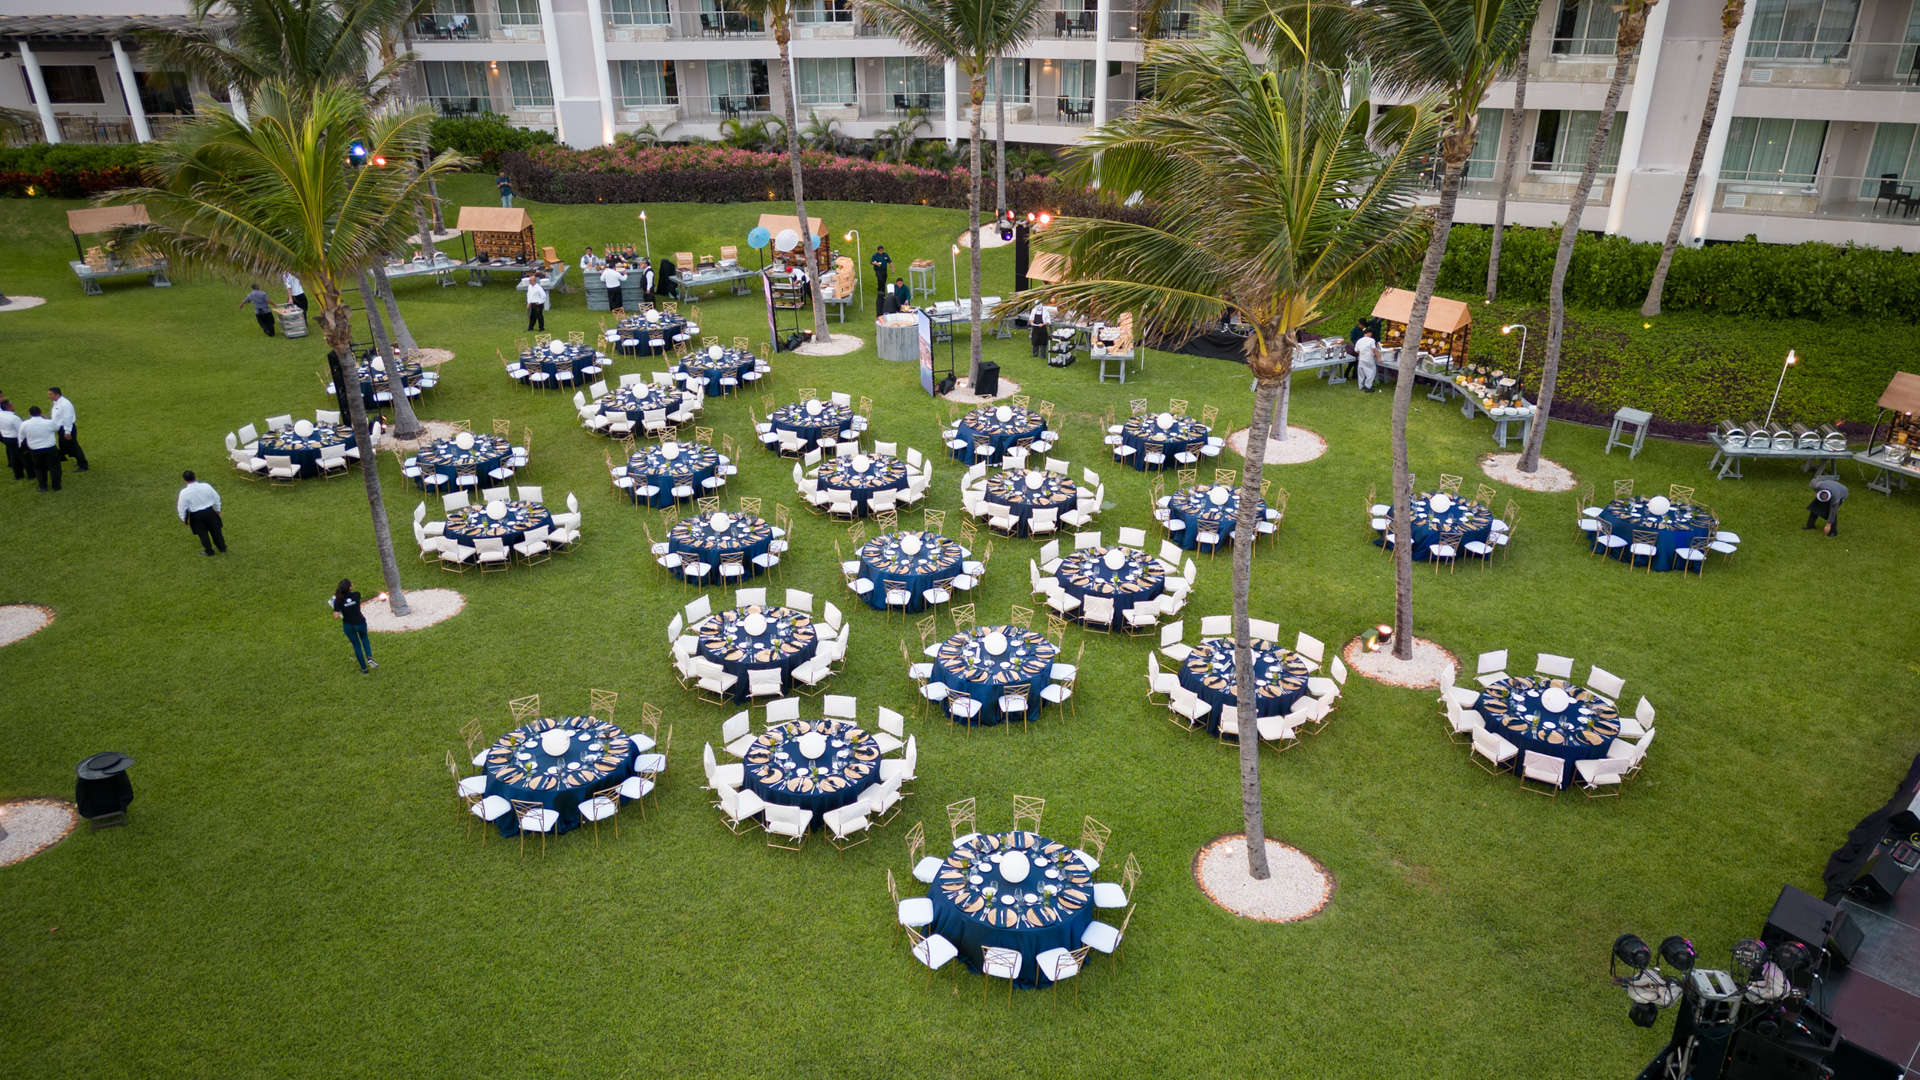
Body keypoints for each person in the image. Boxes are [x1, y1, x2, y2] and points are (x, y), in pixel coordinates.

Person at [329, 578, 383, 673]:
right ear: (350, 587)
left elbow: (336, 616)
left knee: (356, 646)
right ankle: (369, 657)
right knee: (364, 638)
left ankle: (364, 669)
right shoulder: (357, 595)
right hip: (360, 622)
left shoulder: (338, 600)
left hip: (348, 625)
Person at [177, 470, 226, 556]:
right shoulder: (206, 486)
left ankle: (209, 551)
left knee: (202, 534)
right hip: (210, 512)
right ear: (195, 476)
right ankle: (222, 548)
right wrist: (217, 509)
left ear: (185, 480)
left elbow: (182, 507)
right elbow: (216, 498)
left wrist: (184, 519)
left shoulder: (184, 493)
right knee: (216, 531)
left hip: (196, 516)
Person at [19, 405, 59, 491]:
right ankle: (56, 486)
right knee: (54, 467)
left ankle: (43, 487)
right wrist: (45, 419)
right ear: (41, 412)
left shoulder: (24, 424)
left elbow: (21, 437)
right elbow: (57, 428)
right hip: (50, 448)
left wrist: (23, 449)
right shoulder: (48, 422)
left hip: (35, 450)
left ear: (30, 414)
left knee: (39, 468)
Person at [48, 387, 86, 471]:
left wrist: (67, 431)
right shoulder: (57, 402)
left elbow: (68, 418)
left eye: (51, 394)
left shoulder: (65, 404)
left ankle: (83, 465)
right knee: (64, 445)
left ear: (57, 394)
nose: (49, 396)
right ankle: (76, 460)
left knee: (74, 447)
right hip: (61, 429)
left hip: (66, 428)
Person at [0, 397, 28, 481]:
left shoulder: (1, 415)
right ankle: (31, 474)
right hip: (15, 438)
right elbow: (21, 430)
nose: (13, 406)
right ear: (9, 407)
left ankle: (18, 475)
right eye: (12, 405)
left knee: (14, 456)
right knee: (24, 456)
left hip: (6, 437)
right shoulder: (13, 418)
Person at [1355, 326, 1380, 393]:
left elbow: (1356, 350)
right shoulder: (1371, 340)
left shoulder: (1359, 340)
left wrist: (1361, 353)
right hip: (1369, 359)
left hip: (1361, 358)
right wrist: (1379, 358)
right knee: (1371, 372)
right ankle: (1368, 387)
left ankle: (1360, 386)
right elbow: (1374, 350)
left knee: (1361, 373)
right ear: (1369, 333)